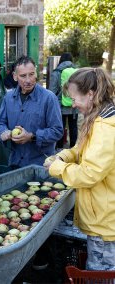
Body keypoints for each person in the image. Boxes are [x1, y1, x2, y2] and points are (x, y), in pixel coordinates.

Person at [0, 55, 63, 271]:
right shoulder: (9, 99)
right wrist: (4, 133)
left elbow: (57, 131)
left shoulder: (48, 98)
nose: (28, 80)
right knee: (17, 213)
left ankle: (42, 260)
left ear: (37, 73)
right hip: (16, 165)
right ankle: (18, 261)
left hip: (40, 167)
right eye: (23, 76)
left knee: (41, 216)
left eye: (31, 74)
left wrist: (32, 136)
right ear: (14, 76)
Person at [44, 67, 115, 271]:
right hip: (102, 216)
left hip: (106, 224)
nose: (73, 104)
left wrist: (57, 168)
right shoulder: (98, 118)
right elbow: (81, 149)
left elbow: (89, 173)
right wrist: (62, 155)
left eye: (75, 98)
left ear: (91, 94)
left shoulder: (105, 128)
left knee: (101, 274)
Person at [49, 52, 78, 149]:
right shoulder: (76, 71)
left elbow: (52, 91)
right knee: (73, 127)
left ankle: (60, 148)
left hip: (59, 105)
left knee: (60, 127)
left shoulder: (56, 72)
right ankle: (73, 148)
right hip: (74, 104)